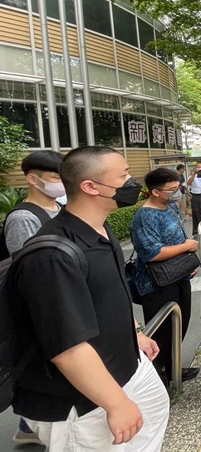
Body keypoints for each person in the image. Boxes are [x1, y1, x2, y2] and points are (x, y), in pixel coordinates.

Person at [8, 146, 169, 451]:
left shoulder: (97, 229)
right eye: (123, 176)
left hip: (124, 372)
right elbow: (67, 347)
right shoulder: (52, 255)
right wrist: (116, 402)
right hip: (81, 404)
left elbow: (106, 298)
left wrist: (133, 333)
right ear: (91, 186)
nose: (132, 182)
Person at [2, 151, 64, 446]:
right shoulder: (23, 218)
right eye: (55, 178)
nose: (61, 184)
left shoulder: (60, 206)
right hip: (42, 304)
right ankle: (31, 424)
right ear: (32, 179)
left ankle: (31, 425)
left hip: (62, 295)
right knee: (40, 362)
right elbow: (29, 269)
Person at [130, 168, 200, 385]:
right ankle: (158, 377)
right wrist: (187, 247)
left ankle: (173, 369)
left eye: (177, 187)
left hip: (178, 277)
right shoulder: (145, 216)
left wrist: (185, 265)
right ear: (155, 192)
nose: (177, 192)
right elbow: (152, 253)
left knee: (180, 324)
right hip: (157, 283)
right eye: (172, 189)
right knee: (161, 331)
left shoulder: (169, 208)